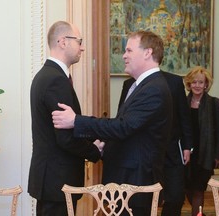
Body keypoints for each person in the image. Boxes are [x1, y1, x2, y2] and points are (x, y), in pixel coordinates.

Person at [52, 30, 173, 216]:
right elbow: (127, 128)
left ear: (148, 53)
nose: (124, 56)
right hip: (128, 182)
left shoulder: (154, 88)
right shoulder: (141, 85)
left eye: (129, 51)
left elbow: (122, 127)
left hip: (136, 184)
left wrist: (76, 121)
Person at [28, 21, 104, 216]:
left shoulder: (46, 75)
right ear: (63, 42)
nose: (83, 47)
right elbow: (65, 137)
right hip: (57, 181)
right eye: (79, 41)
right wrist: (95, 150)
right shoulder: (55, 79)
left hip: (52, 180)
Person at [118, 72, 193, 216]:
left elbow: (184, 116)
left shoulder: (174, 81)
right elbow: (121, 118)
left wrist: (187, 146)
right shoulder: (129, 84)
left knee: (176, 196)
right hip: (143, 152)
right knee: (143, 198)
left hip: (171, 149)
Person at [183, 66, 219, 216]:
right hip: (187, 154)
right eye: (194, 82)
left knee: (198, 190)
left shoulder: (214, 103)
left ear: (206, 84)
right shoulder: (182, 103)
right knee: (187, 188)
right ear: (189, 84)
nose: (197, 85)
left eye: (201, 82)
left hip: (205, 155)